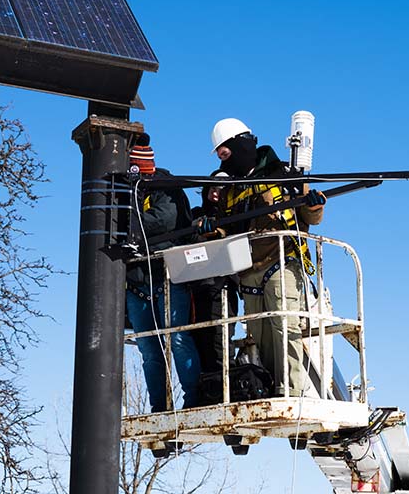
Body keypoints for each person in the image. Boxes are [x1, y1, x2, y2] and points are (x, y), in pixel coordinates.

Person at [198, 118, 326, 397]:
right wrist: (210, 230)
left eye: (225, 153)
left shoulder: (281, 174)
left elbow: (309, 217)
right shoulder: (232, 188)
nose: (223, 160)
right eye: (220, 155)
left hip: (281, 261)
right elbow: (226, 227)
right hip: (249, 270)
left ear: (239, 145)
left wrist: (315, 205)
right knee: (259, 330)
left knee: (284, 325)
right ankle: (274, 386)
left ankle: (291, 389)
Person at [126, 134, 201, 412]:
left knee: (179, 339)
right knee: (149, 350)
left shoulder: (165, 186)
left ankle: (193, 400)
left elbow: (164, 219)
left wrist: (128, 224)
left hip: (167, 277)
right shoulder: (124, 191)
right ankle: (160, 406)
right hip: (136, 282)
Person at [190, 170, 239, 374]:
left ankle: (221, 385)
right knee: (197, 342)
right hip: (196, 287)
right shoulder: (195, 215)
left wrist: (219, 232)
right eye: (212, 187)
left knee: (219, 341)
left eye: (222, 189)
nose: (216, 193)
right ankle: (205, 387)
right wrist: (199, 229)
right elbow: (187, 238)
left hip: (222, 287)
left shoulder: (235, 216)